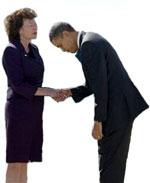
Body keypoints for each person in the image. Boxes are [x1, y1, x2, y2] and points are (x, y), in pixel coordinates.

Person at [49, 22, 149, 183]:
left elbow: (101, 87)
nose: (63, 50)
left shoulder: (89, 45)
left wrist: (98, 120)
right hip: (120, 108)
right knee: (112, 165)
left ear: (66, 34)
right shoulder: (90, 41)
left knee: (110, 166)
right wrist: (70, 92)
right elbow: (93, 84)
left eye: (60, 45)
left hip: (117, 110)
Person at [2, 8, 66, 183]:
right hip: (18, 111)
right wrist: (51, 92)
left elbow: (37, 80)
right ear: (19, 29)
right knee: (15, 161)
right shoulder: (10, 51)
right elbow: (19, 85)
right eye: (29, 23)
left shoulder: (35, 49)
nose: (35, 26)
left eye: (35, 23)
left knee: (25, 161)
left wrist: (54, 93)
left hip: (34, 109)